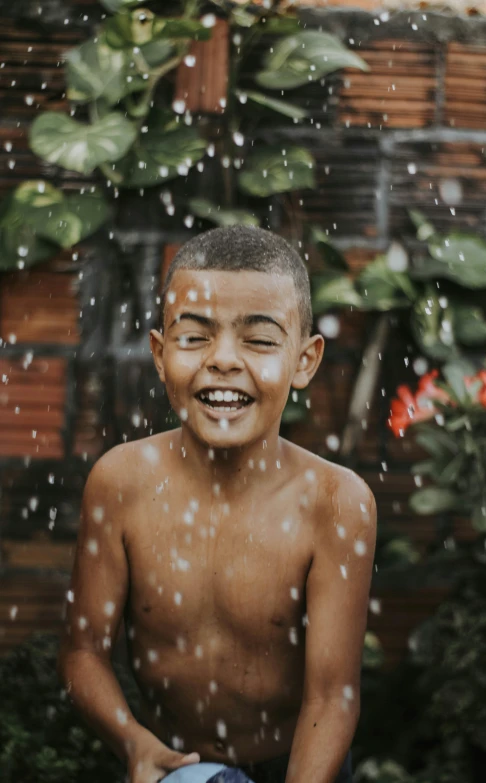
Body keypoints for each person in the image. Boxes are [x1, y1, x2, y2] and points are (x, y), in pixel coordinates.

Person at [57, 226, 377, 783]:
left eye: (258, 339)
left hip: (303, 762)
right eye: (194, 337)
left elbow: (331, 697)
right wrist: (132, 743)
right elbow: (84, 652)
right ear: (160, 355)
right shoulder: (121, 482)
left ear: (304, 361)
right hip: (180, 768)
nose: (223, 360)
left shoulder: (335, 502)